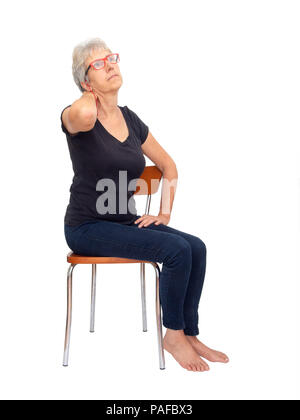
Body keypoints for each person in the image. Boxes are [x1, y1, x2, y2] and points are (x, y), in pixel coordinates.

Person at [61, 37, 229, 372]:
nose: (110, 65)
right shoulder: (79, 117)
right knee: (176, 251)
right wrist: (88, 96)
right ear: (85, 80)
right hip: (86, 227)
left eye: (112, 58)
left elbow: (169, 166)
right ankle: (174, 335)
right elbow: (76, 113)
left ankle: (190, 333)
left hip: (122, 223)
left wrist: (164, 213)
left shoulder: (131, 119)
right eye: (98, 64)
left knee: (195, 247)